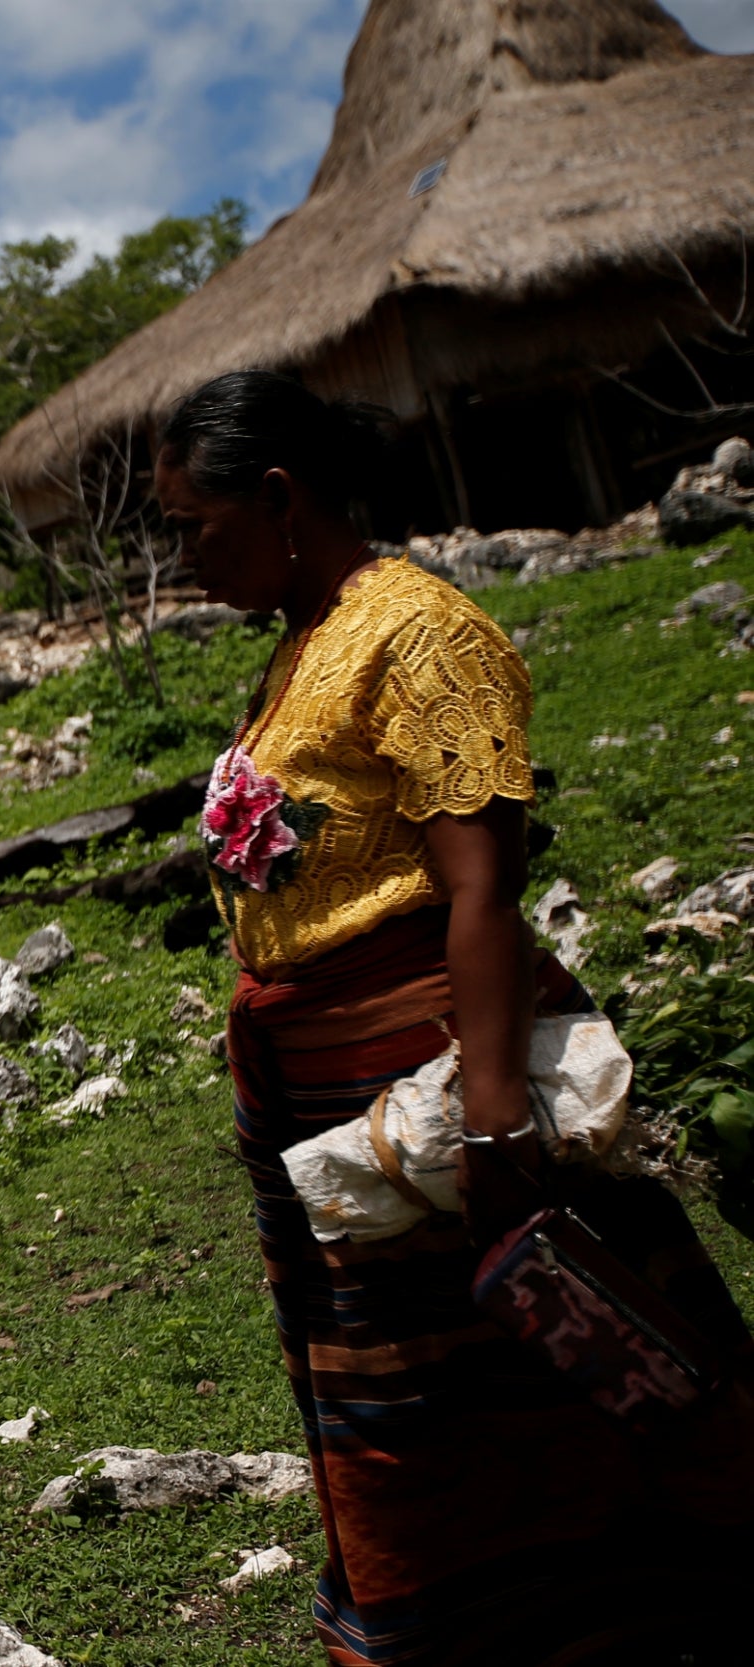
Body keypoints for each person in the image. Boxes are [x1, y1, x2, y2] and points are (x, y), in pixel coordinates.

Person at [158, 370, 754, 1667]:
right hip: (329, 1096)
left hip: (433, 1080)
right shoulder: (302, 640)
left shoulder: (421, 635)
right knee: (405, 1393)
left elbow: (480, 882)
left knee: (537, 1356)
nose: (183, 559)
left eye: (196, 526)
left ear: (279, 496)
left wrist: (491, 1125)